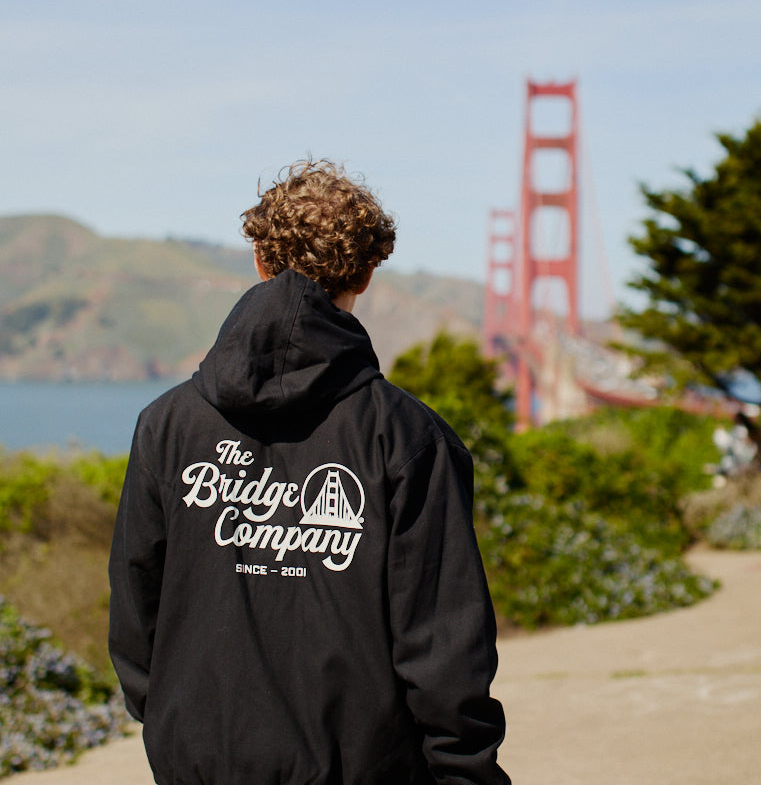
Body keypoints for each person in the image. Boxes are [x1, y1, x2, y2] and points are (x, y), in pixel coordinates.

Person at [108, 160, 510, 785]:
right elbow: (443, 644)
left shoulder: (166, 425)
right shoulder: (407, 437)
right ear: (368, 274)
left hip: (197, 763)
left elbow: (137, 607)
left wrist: (169, 717)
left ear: (260, 262)